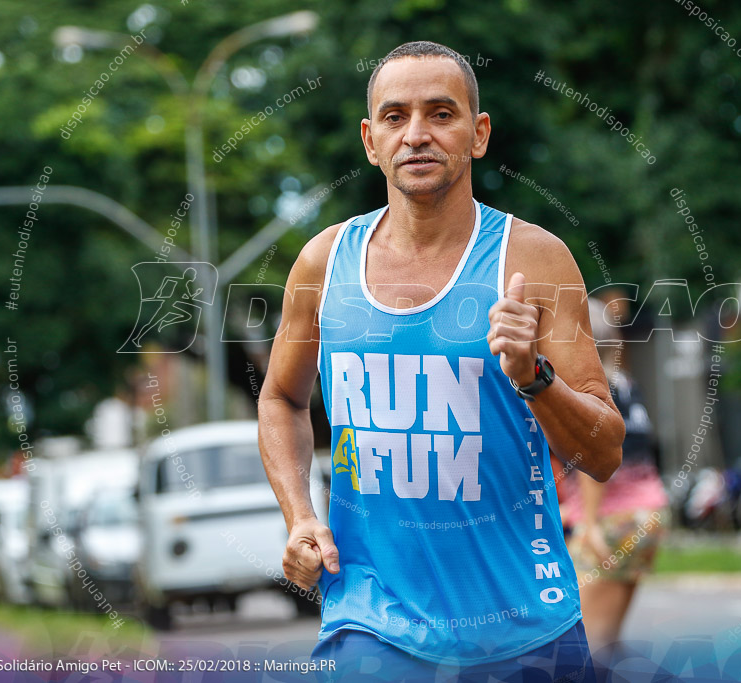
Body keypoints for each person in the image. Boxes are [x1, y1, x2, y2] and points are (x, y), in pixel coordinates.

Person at [257, 41, 625, 681]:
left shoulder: (532, 260)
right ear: (371, 141)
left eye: (441, 114)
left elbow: (604, 450)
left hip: (525, 630)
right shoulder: (323, 263)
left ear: (478, 134)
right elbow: (282, 398)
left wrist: (535, 377)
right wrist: (300, 517)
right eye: (396, 117)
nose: (417, 135)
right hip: (369, 623)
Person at [559, 294, 669, 648]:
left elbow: (596, 459)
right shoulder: (625, 383)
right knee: (608, 638)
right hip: (648, 511)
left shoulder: (592, 389)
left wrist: (588, 523)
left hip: (611, 517)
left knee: (584, 641)